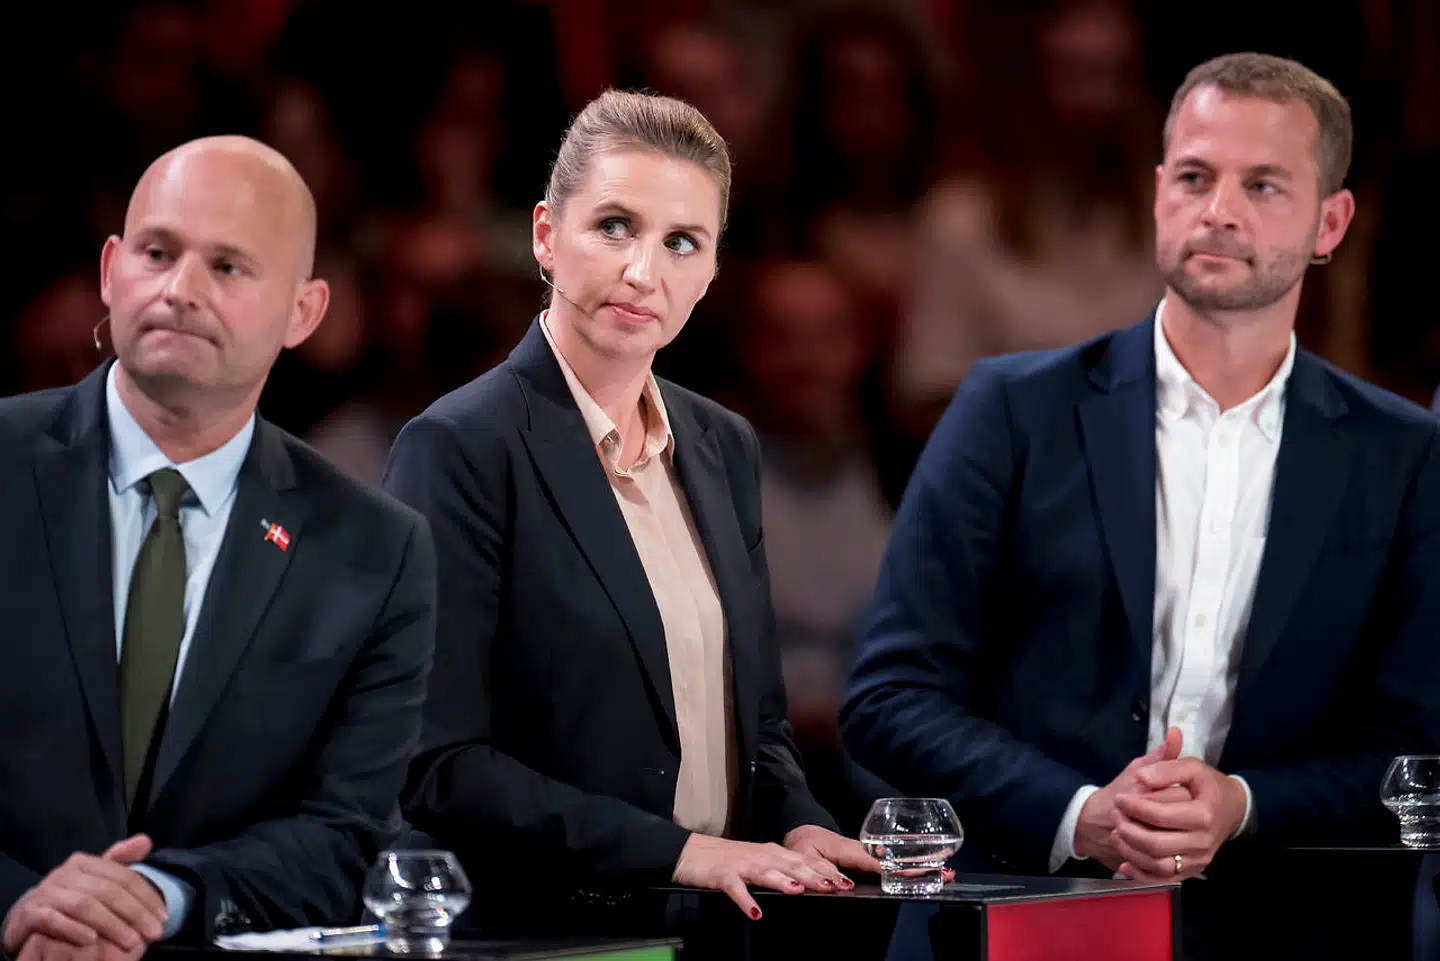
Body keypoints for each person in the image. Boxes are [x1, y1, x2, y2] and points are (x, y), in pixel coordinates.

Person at [841, 53, 1440, 961]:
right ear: (1159, 192)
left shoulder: (1400, 452)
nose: (1220, 209)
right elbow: (889, 696)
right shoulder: (1011, 409)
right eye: (1196, 176)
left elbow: (1412, 751)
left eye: (1264, 185)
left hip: (1283, 926)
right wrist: (1083, 814)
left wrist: (1240, 803)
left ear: (1331, 222)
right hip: (1022, 917)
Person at [382, 90, 878, 942]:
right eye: (614, 226)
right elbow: (437, 764)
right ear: (546, 235)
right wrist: (684, 851)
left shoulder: (723, 444)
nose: (645, 271)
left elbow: (757, 725)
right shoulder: (460, 447)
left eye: (682, 242)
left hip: (720, 925)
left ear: (713, 270)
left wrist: (795, 818)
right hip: (541, 932)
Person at [0, 136, 436, 960]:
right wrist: (26, 905)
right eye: (158, 253)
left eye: (229, 267)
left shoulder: (376, 551)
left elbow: (345, 835)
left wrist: (157, 898)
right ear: (110, 269)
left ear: (304, 312)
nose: (180, 290)